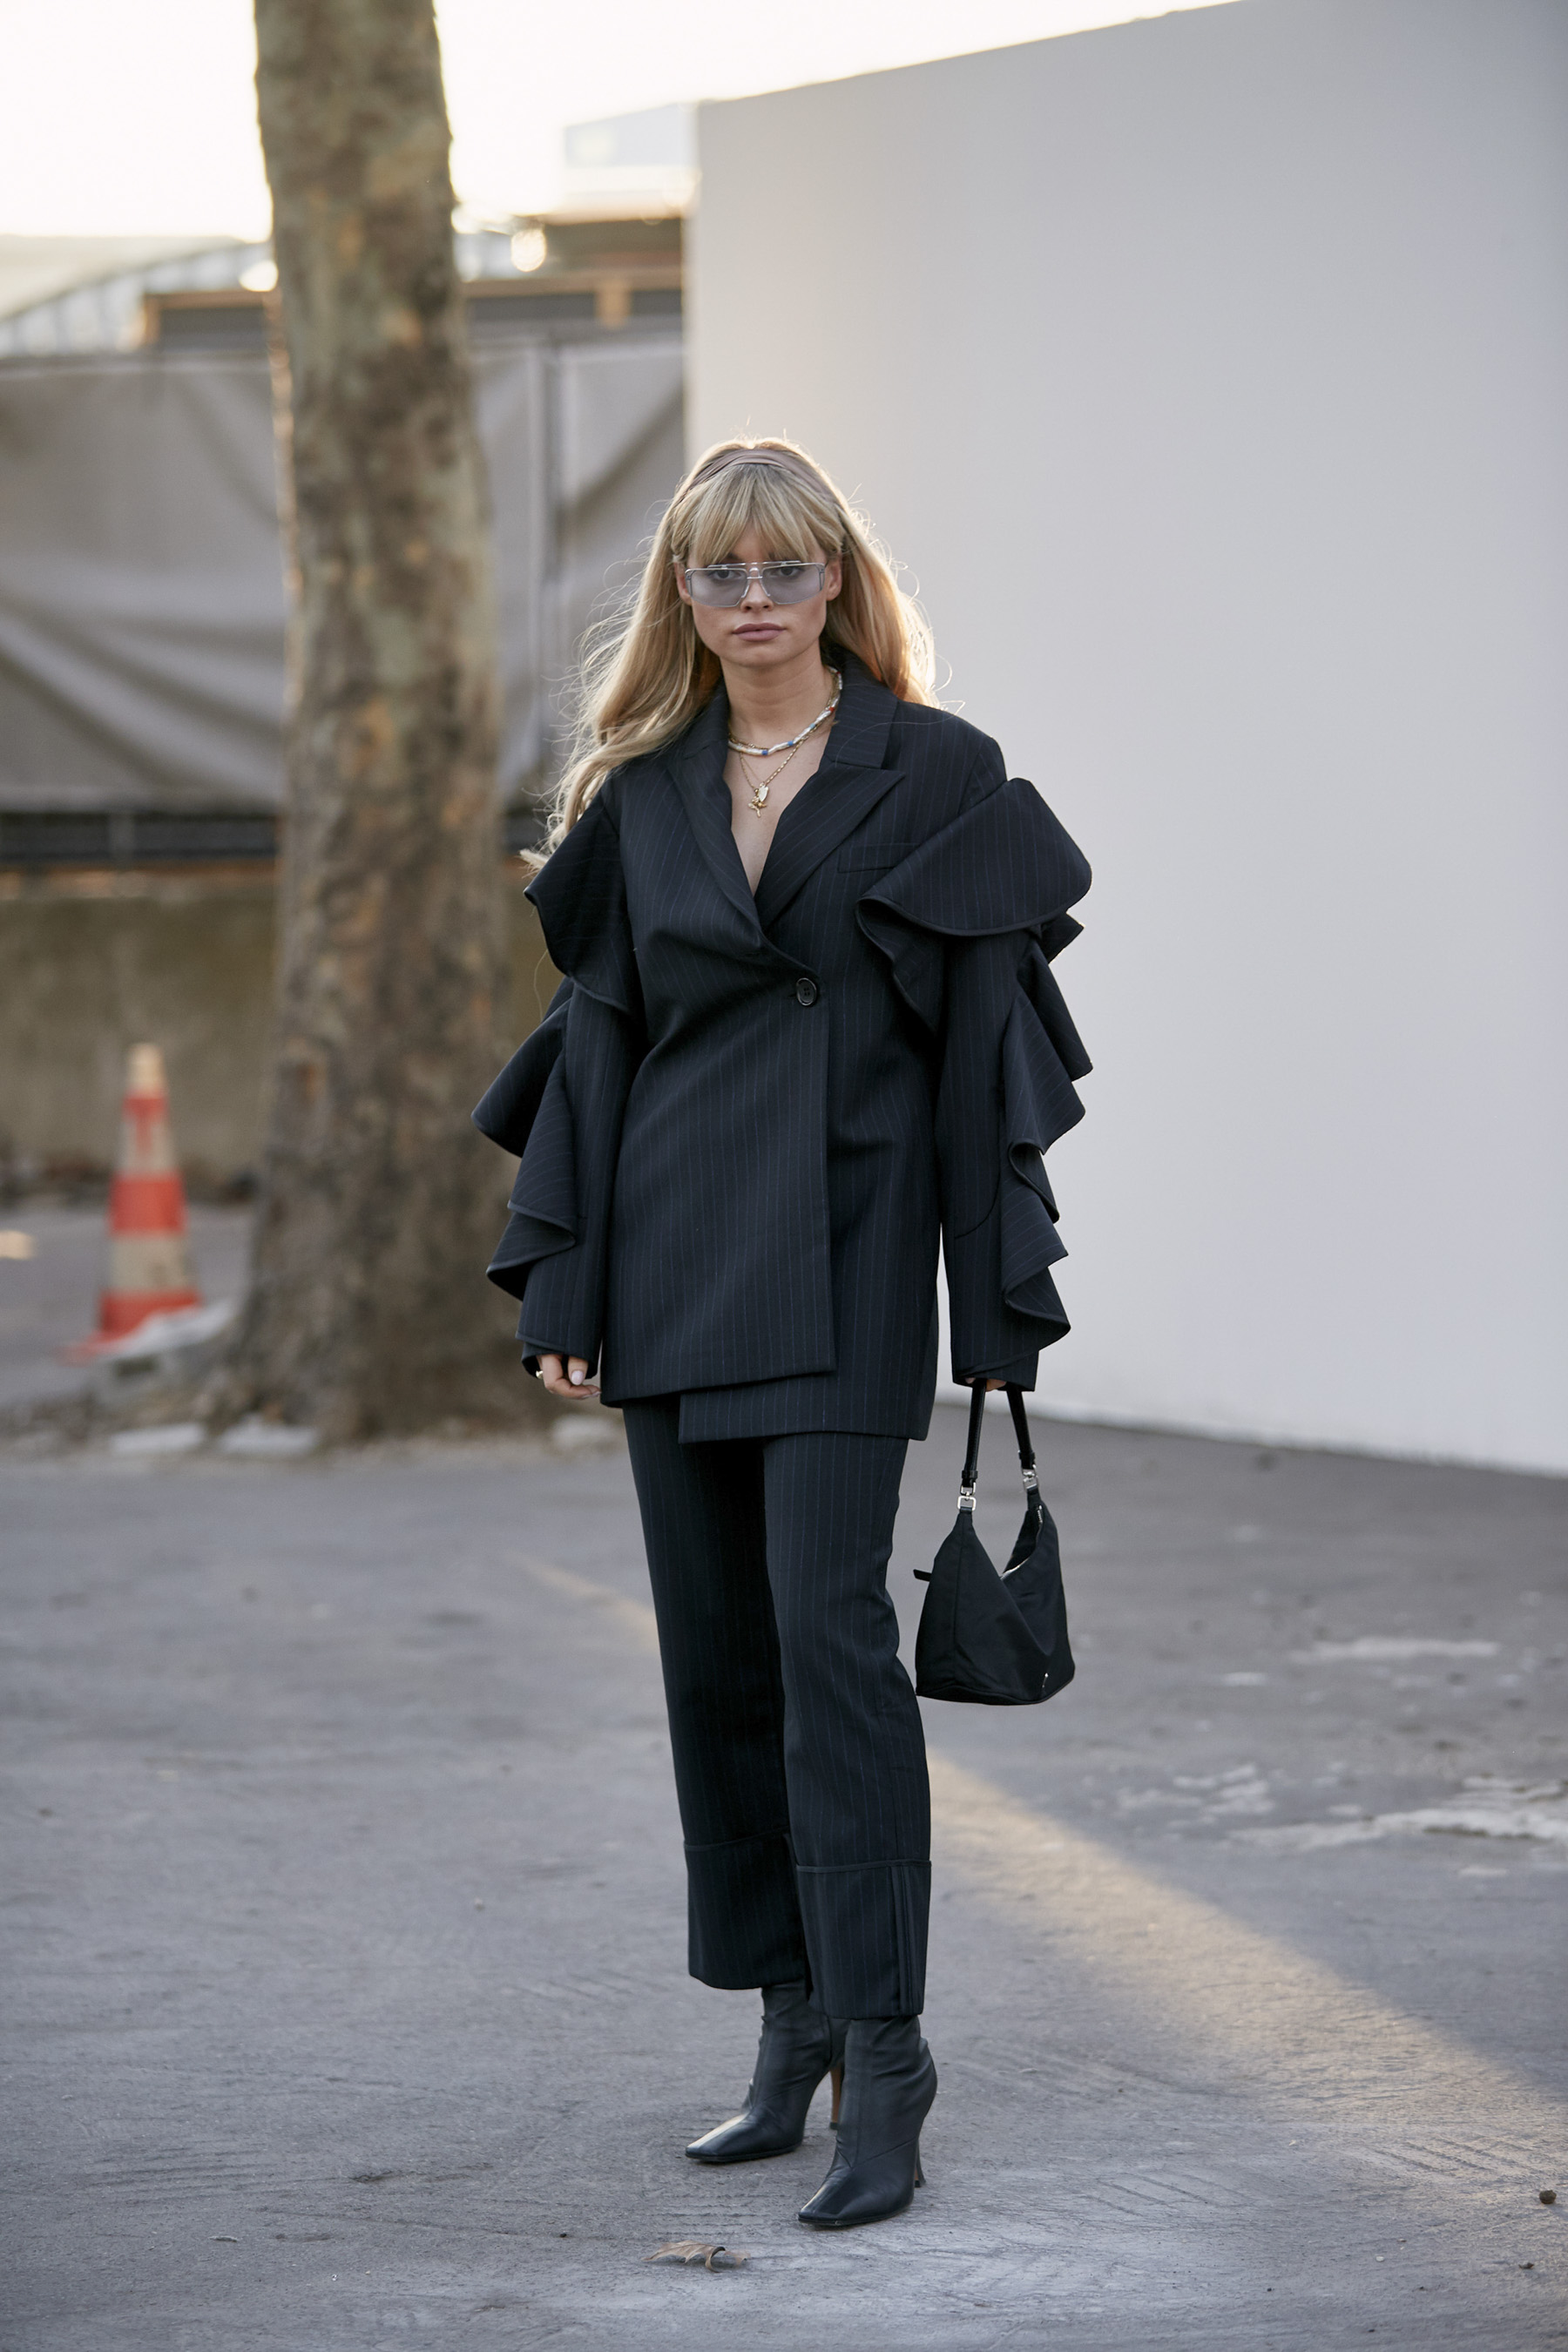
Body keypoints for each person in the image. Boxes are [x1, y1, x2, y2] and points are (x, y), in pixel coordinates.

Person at [474, 438, 1092, 2228]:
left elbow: (983, 1048)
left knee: (830, 1647)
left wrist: (993, 1301)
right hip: (672, 1258)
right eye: (719, 572)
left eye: (784, 568)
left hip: (845, 1259)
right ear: (683, 592)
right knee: (720, 1660)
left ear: (837, 581)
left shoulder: (937, 770)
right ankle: (791, 2017)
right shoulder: (641, 787)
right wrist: (569, 1285)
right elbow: (603, 1045)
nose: (753, 600)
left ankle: (887, 2047)